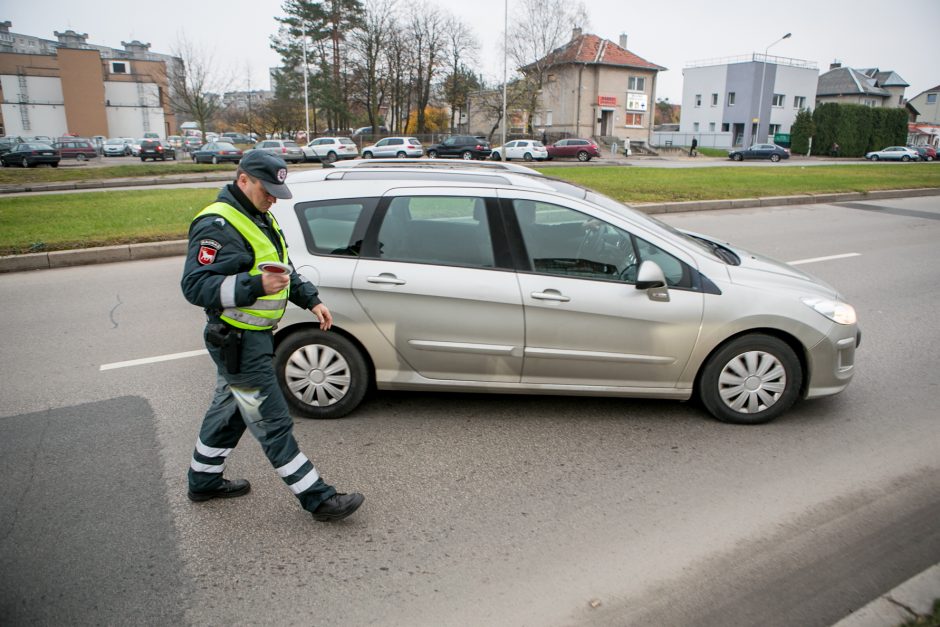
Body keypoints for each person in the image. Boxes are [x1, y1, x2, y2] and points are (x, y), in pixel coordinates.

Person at [180, 150, 364, 522]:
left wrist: (311, 300)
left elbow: (282, 268)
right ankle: (319, 499)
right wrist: (255, 285)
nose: (273, 198)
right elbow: (195, 286)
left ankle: (203, 479)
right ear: (243, 179)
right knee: (271, 421)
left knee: (230, 411)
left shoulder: (258, 216)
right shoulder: (217, 225)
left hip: (254, 338)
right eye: (268, 190)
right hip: (238, 342)